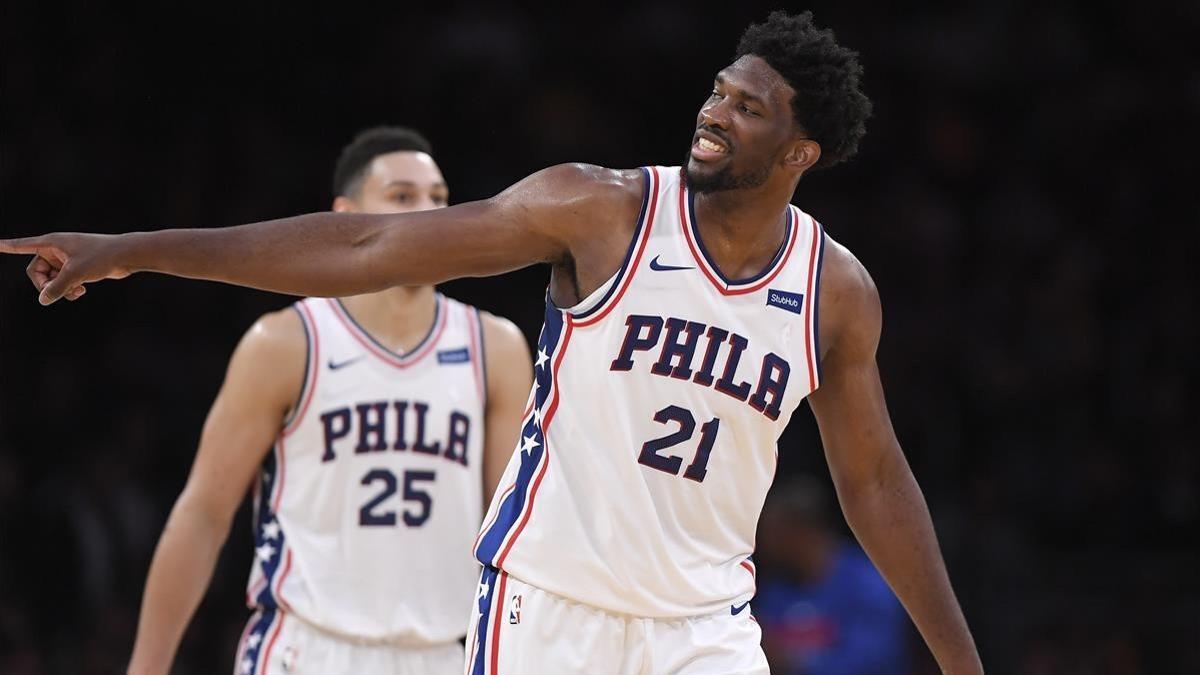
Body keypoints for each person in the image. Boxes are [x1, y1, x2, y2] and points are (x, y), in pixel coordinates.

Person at [2, 11, 984, 674]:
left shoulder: (835, 292)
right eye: (720, 91)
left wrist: (961, 662)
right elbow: (370, 242)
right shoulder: (600, 210)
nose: (716, 111)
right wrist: (135, 251)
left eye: (749, 107)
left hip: (704, 629)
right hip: (548, 609)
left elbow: (877, 484)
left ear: (801, 152)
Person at [122, 127, 533, 675]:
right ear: (345, 216)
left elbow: (511, 535)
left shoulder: (495, 347)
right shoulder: (288, 342)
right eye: (403, 196)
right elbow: (202, 514)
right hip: (306, 647)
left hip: (440, 653)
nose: (430, 213)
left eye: (439, 199)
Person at [755, 477, 909, 674]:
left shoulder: (866, 582)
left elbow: (871, 661)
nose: (764, 543)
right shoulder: (775, 586)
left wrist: (790, 660)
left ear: (801, 532)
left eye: (774, 533)